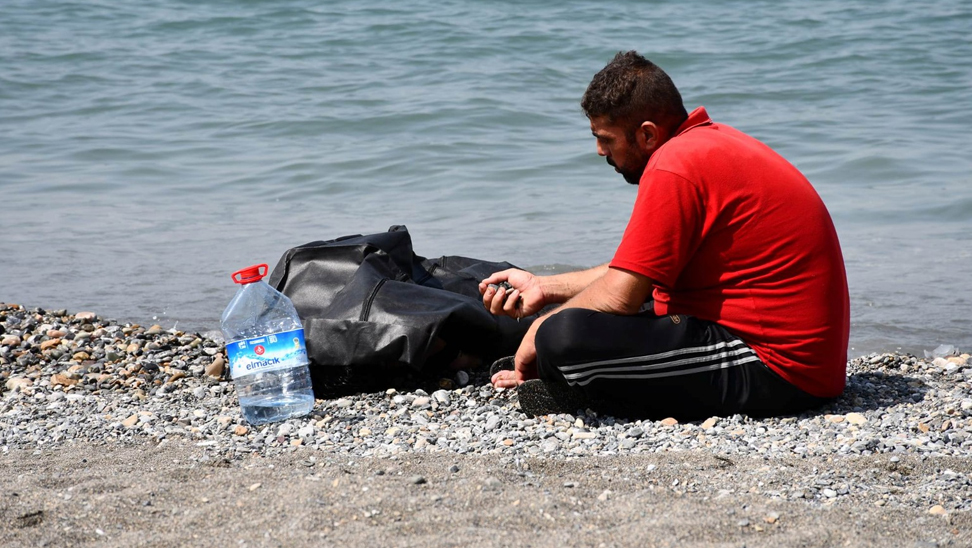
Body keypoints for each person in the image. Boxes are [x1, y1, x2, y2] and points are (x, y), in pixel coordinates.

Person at [479, 51, 849, 419]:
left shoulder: (674, 166)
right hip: (792, 356)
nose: (599, 151)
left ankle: (603, 398)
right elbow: (636, 271)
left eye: (606, 139)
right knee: (616, 307)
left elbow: (620, 296)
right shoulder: (705, 145)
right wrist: (546, 289)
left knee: (563, 335)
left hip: (779, 367)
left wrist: (541, 329)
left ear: (647, 134)